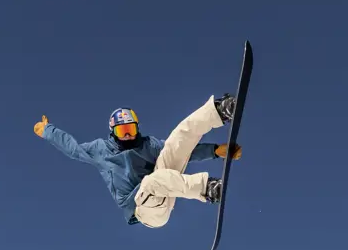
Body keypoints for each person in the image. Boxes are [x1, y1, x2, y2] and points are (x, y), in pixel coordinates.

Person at [34, 95, 242, 228]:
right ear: (112, 132)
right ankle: (209, 189)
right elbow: (72, 149)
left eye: (131, 130)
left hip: (164, 187)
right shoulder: (100, 150)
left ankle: (220, 110)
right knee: (152, 181)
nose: (127, 136)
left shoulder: (146, 144)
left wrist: (215, 151)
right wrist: (48, 131)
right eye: (122, 131)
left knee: (177, 138)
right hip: (145, 210)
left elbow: (181, 150)